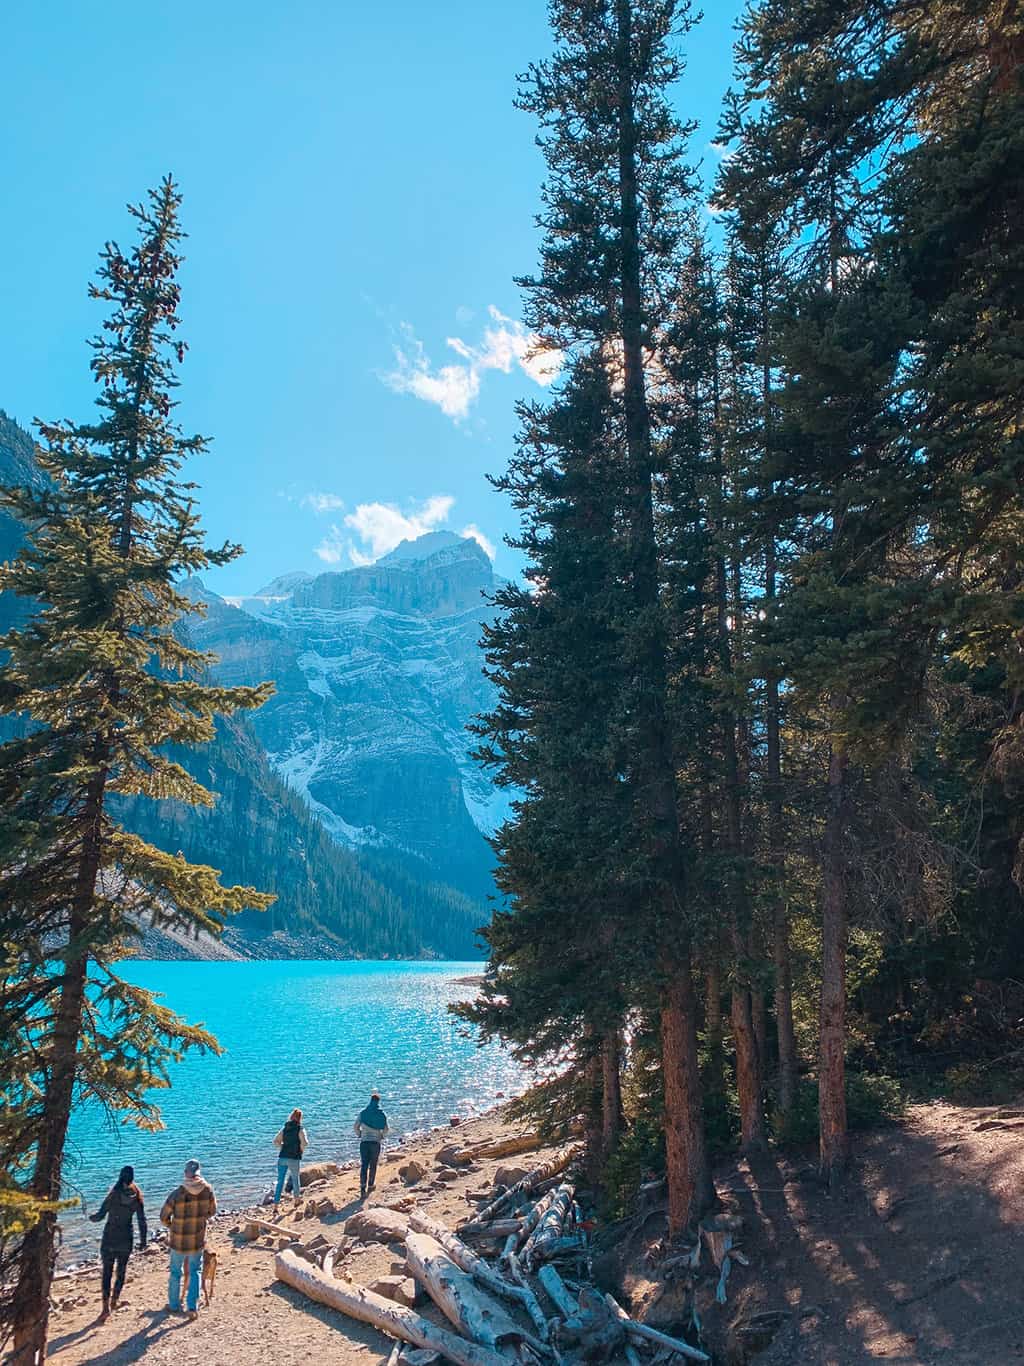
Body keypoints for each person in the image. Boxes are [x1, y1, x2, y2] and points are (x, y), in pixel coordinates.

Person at [160, 1159, 216, 1319]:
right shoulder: (208, 1190)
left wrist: (171, 1226)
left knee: (176, 1272)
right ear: (199, 1172)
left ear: (186, 1173)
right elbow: (212, 1211)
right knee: (195, 1271)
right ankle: (192, 1307)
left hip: (178, 1240)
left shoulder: (178, 1193)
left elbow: (163, 1216)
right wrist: (200, 1218)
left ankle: (174, 1305)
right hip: (197, 1238)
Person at [89, 1164, 147, 1319]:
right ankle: (115, 1301)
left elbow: (100, 1216)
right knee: (121, 1271)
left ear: (120, 1176)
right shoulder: (137, 1196)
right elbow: (142, 1221)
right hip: (126, 1239)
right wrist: (143, 1241)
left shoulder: (113, 1195)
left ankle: (105, 1308)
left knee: (107, 1272)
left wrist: (90, 1217)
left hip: (109, 1238)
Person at [353, 1091, 389, 1199]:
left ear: (370, 1100)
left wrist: (359, 1134)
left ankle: (362, 1187)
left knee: (364, 1165)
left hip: (364, 1142)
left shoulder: (363, 1113)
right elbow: (386, 1128)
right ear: (378, 1101)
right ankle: (371, 1185)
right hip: (375, 1142)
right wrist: (382, 1136)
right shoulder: (381, 1114)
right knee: (373, 1164)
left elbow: (355, 1126)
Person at [273, 1107, 309, 1206]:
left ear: (291, 1116)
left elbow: (275, 1141)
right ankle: (297, 1200)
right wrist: (300, 1151)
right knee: (295, 1179)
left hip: (282, 1157)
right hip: (294, 1157)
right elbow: (305, 1143)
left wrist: (282, 1148)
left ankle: (276, 1204)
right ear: (300, 1118)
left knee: (280, 1181)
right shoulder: (300, 1129)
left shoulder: (285, 1128)